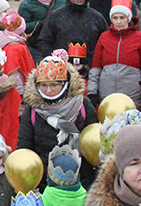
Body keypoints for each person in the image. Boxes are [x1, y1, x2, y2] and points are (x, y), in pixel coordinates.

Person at [18, 52, 99, 188]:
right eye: (43, 85)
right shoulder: (32, 110)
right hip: (45, 182)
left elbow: (94, 143)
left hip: (81, 181)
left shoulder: (83, 105)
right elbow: (24, 146)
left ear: (65, 84)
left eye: (54, 85)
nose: (48, 90)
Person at [88, 0, 141, 109]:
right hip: (106, 91)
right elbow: (96, 67)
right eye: (115, 18)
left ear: (128, 18)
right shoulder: (104, 37)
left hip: (132, 92)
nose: (119, 22)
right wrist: (92, 91)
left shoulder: (140, 37)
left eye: (122, 17)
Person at [38, 0, 108, 70]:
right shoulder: (56, 16)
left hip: (91, 68)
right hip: (61, 68)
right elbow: (44, 41)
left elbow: (105, 43)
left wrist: (92, 62)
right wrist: (55, 59)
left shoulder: (97, 17)